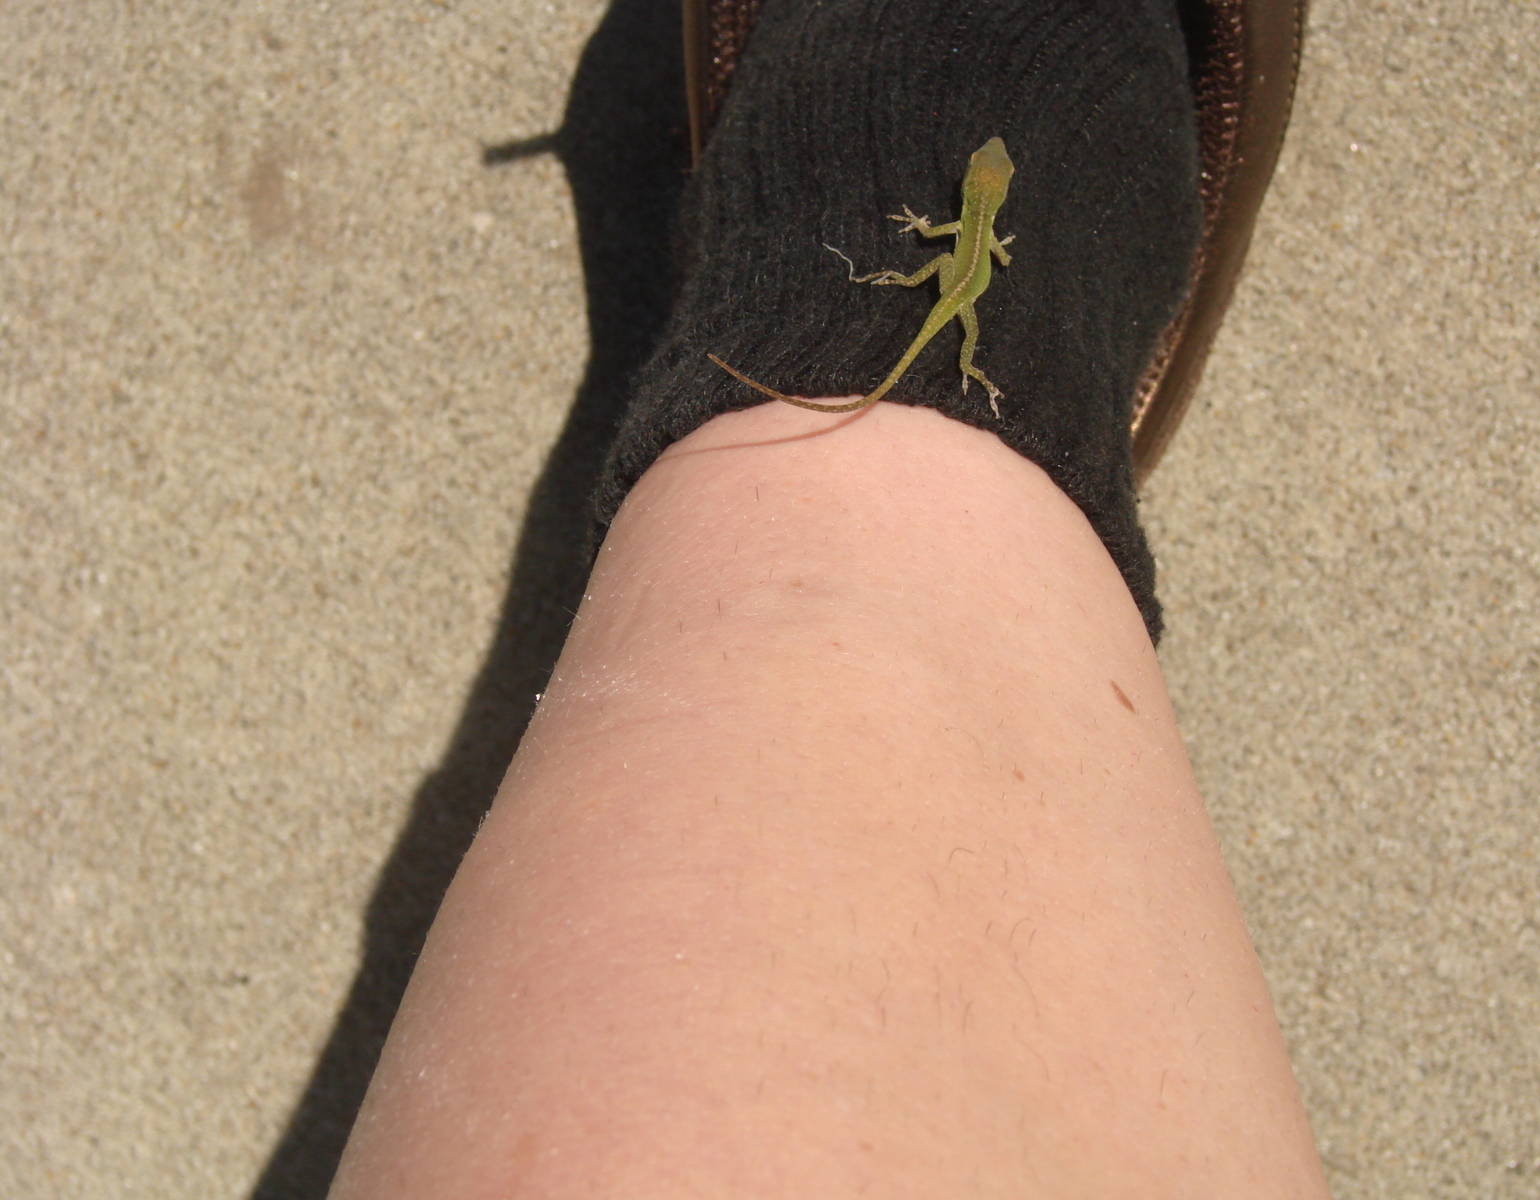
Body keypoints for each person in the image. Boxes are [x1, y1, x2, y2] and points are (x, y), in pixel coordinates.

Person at [329, 0, 1331, 1194]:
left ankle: (819, 310)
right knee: (969, 348)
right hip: (975, 285)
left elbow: (963, 236)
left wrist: (924, 238)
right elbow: (981, 242)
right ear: (986, 184)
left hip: (945, 275)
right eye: (988, 169)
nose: (983, 179)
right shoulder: (985, 217)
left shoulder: (964, 214)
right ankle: (1011, 375)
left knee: (881, 373)